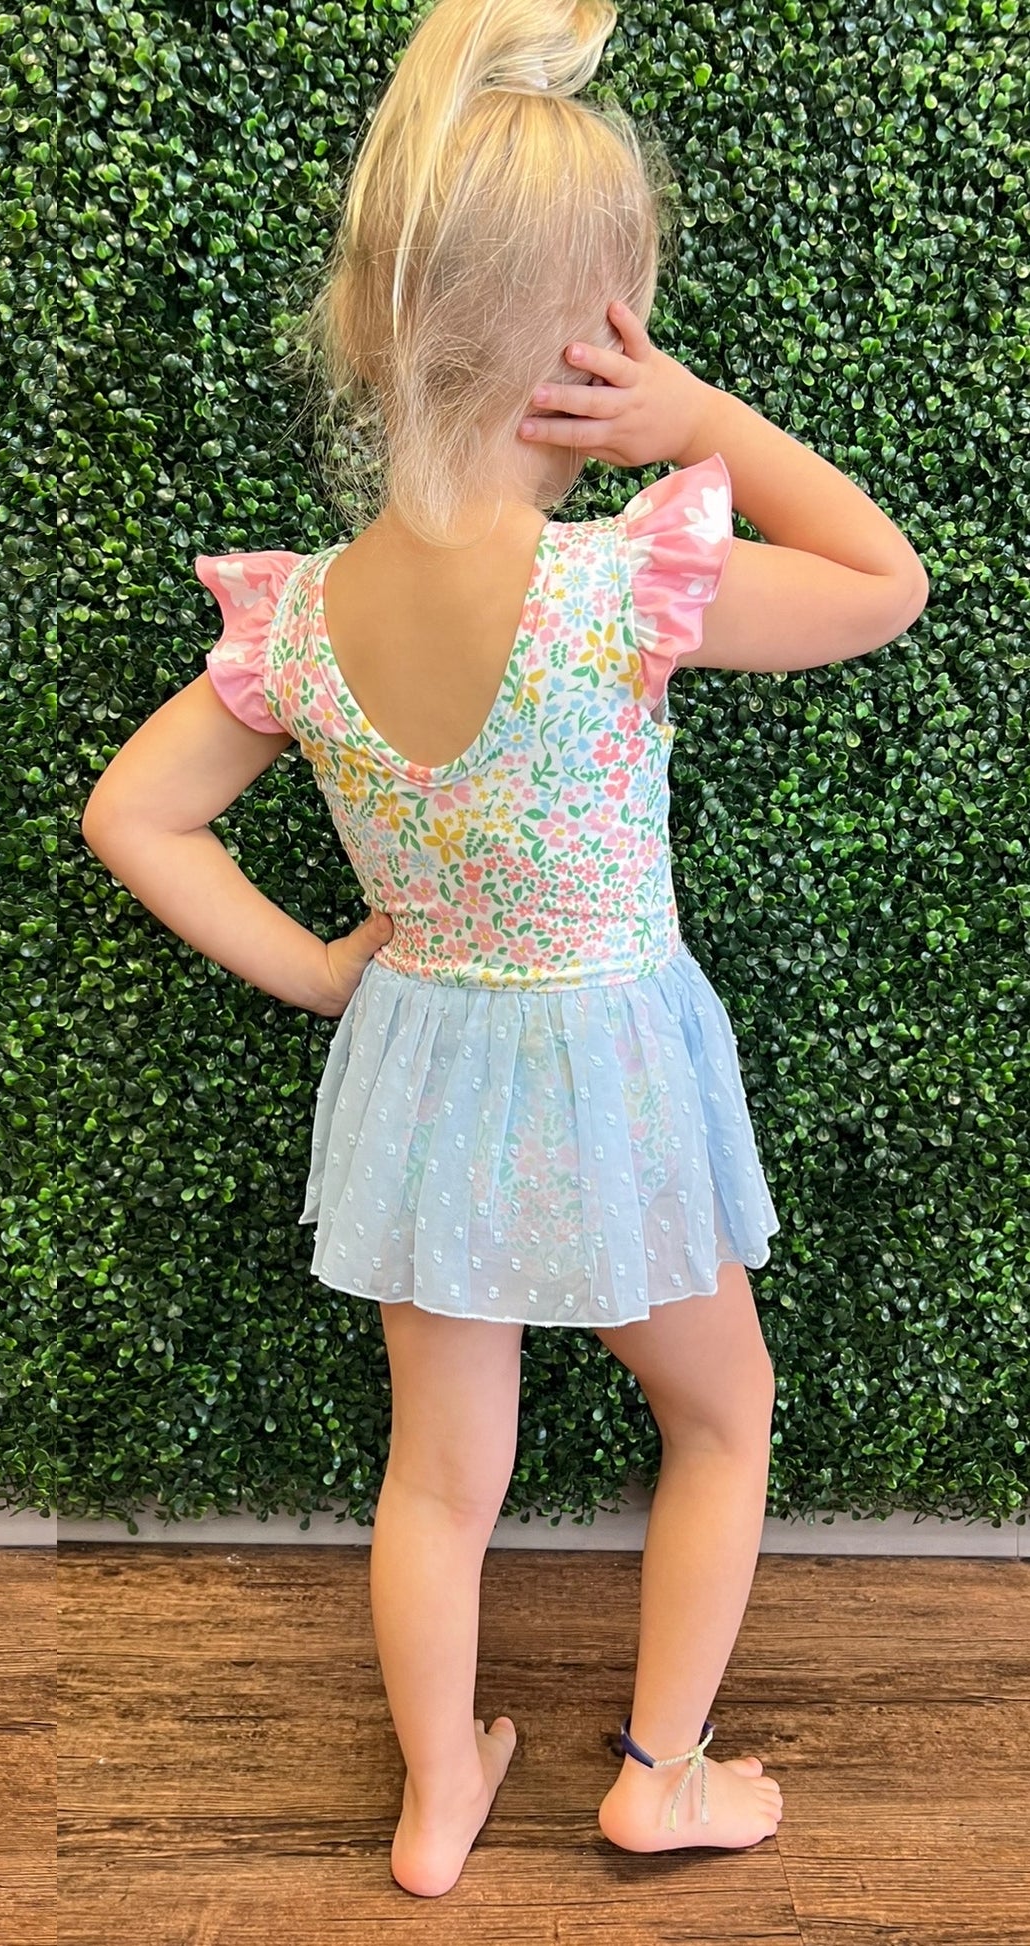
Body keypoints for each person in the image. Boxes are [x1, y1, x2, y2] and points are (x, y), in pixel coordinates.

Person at [82, 0, 925, 1898]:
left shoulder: (301, 617)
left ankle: (436, 1794)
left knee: (439, 1474)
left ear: (373, 325)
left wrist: (321, 969)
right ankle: (658, 1772)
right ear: (595, 338)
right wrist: (705, 423)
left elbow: (134, 814)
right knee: (721, 1409)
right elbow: (885, 583)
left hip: (428, 1066)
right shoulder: (623, 586)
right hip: (609, 1066)